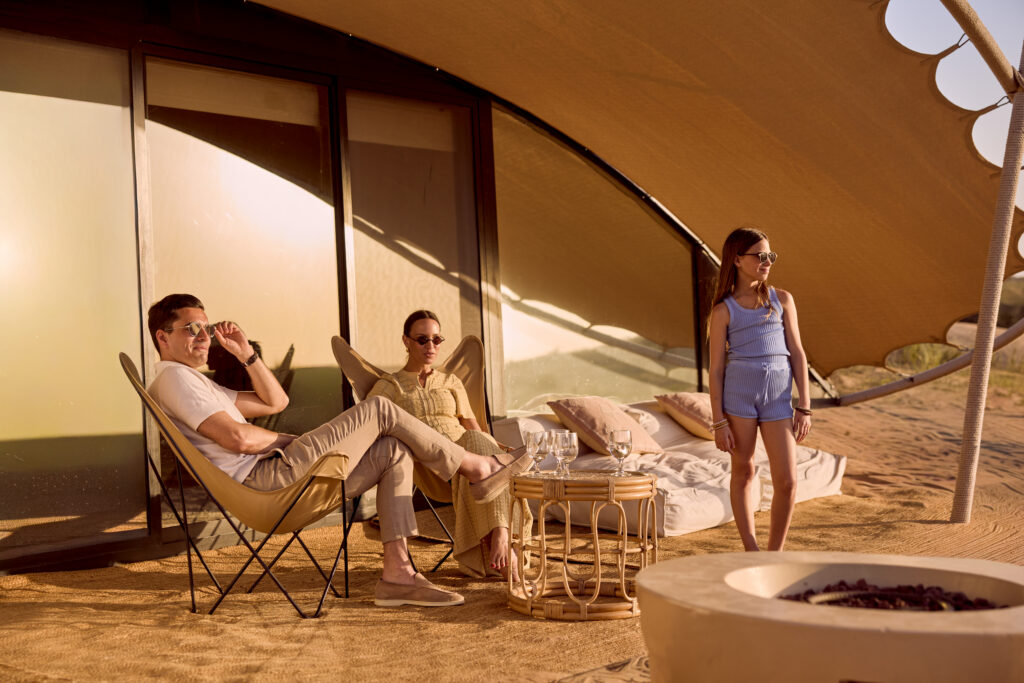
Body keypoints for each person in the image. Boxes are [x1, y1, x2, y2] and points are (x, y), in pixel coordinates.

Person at [145, 293, 530, 608]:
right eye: (191, 328)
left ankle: (397, 573)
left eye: (206, 328)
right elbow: (240, 440)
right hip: (267, 481)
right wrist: (287, 441)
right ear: (163, 337)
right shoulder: (176, 378)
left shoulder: (197, 382)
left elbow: (275, 401)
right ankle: (476, 468)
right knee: (380, 409)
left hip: (281, 479)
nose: (204, 337)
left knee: (394, 449)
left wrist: (247, 355)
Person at [366, 311, 531, 580]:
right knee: (485, 462)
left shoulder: (451, 381)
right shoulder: (390, 386)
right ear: (406, 341)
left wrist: (493, 448)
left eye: (436, 339)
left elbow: (471, 424)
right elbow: (369, 419)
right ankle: (503, 540)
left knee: (479, 446)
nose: (431, 347)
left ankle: (500, 534)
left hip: (468, 453)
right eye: (422, 340)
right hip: (430, 464)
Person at [707, 228, 811, 552]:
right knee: (744, 469)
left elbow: (797, 352)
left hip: (778, 399)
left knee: (788, 481)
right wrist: (718, 422)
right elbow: (715, 370)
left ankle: (774, 553)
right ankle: (751, 551)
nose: (767, 261)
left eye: (770, 256)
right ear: (737, 260)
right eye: (759, 256)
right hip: (739, 399)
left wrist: (804, 406)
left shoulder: (783, 300)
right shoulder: (723, 310)